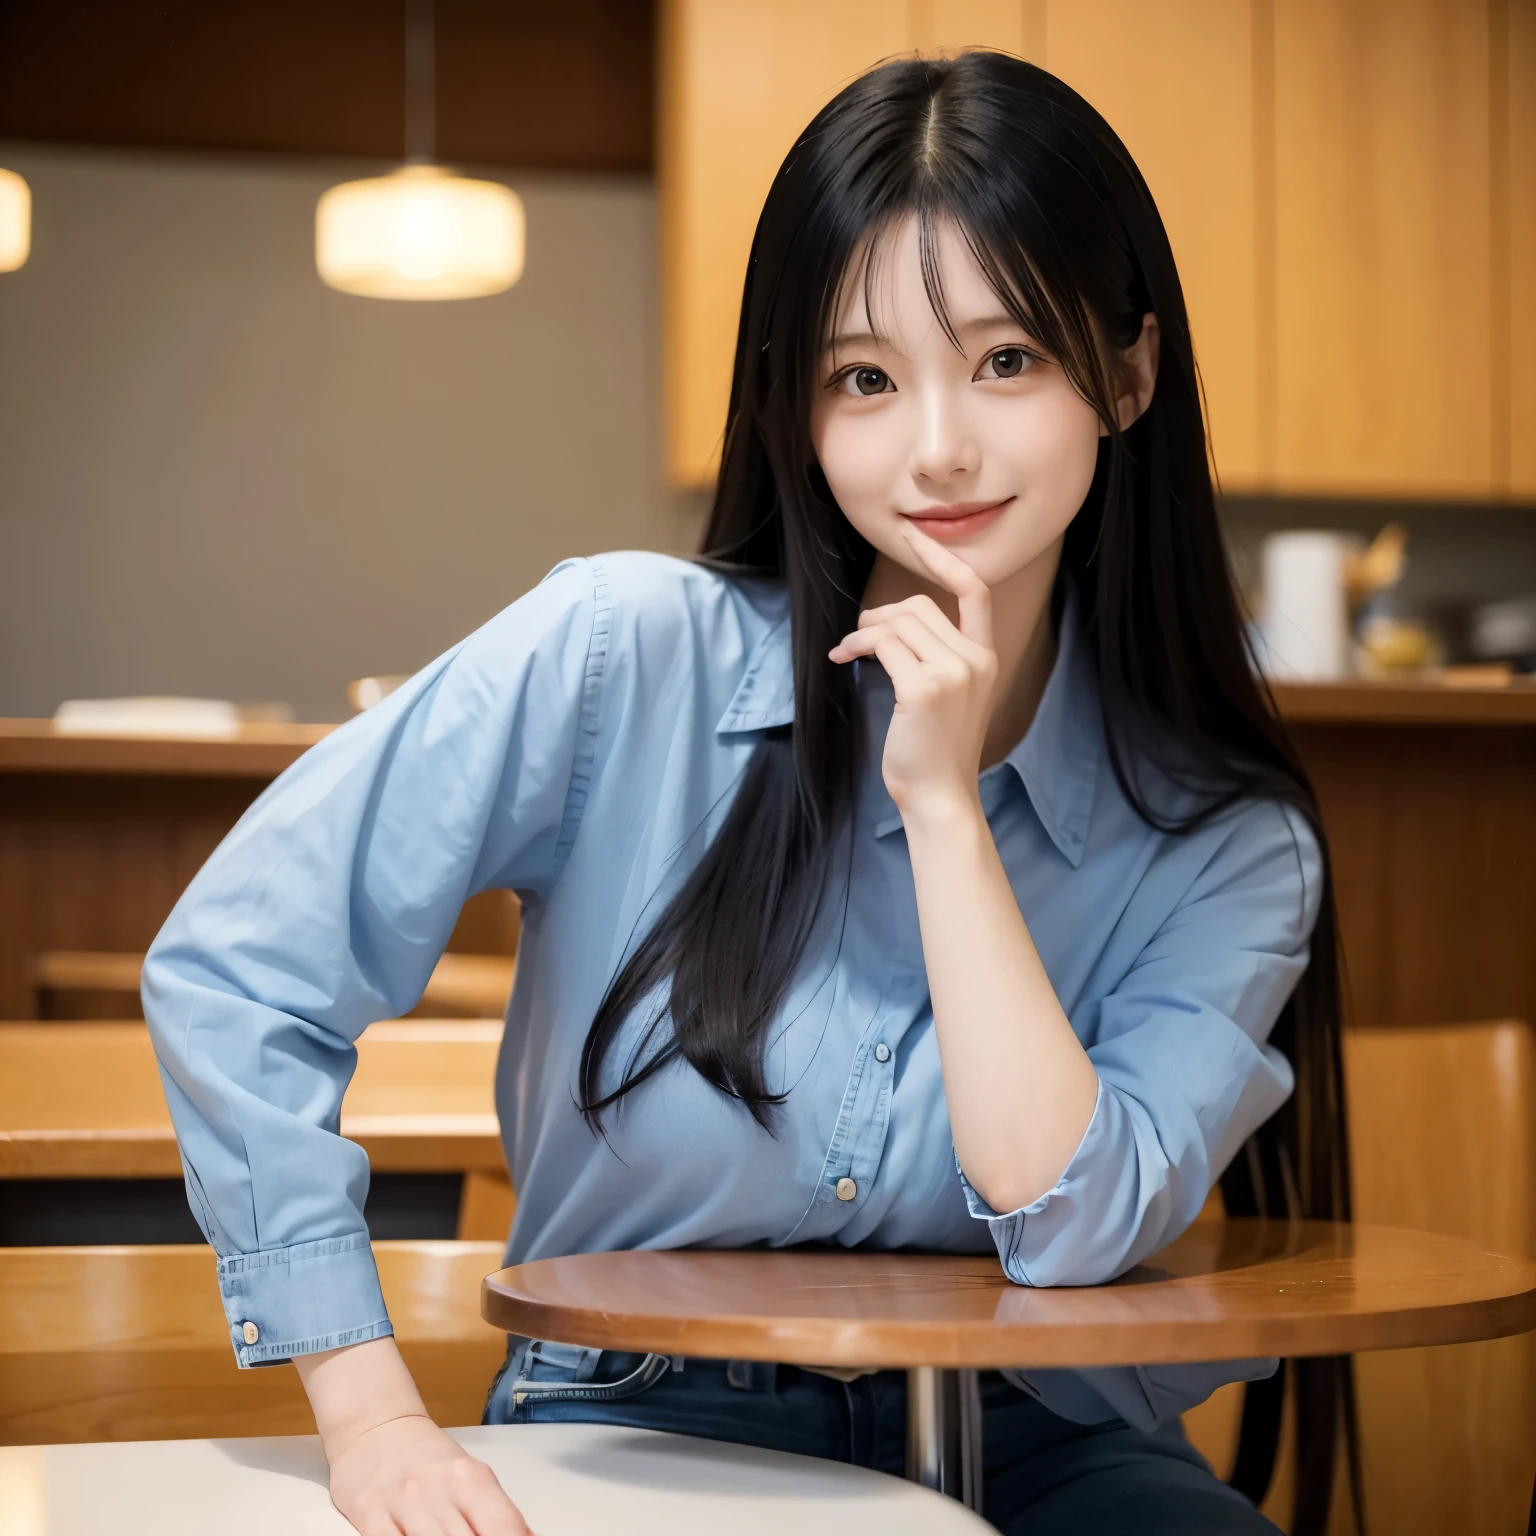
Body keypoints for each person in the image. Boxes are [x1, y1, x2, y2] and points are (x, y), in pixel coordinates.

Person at [144, 49, 1353, 1536]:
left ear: (1128, 372)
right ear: (797, 404)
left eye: (1008, 359)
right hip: (636, 1423)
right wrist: (374, 1421)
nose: (938, 448)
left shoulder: (1226, 840)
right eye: (865, 377)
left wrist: (948, 814)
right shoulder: (616, 653)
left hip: (1035, 1441)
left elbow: (1069, 1225)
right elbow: (238, 966)